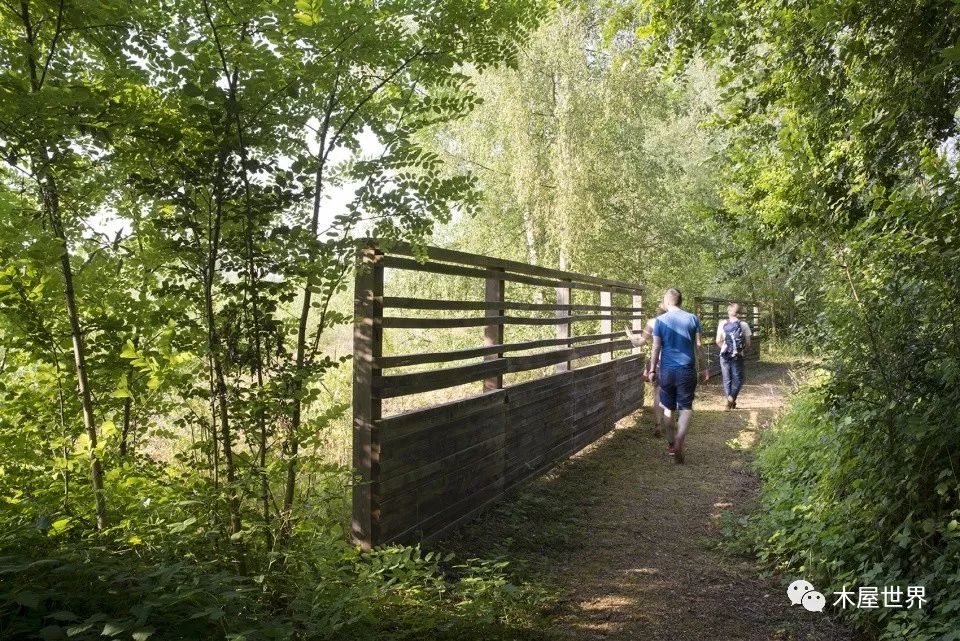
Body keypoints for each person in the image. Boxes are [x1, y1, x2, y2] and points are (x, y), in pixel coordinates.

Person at [649, 288, 709, 464]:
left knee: (668, 408)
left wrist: (652, 369)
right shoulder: (692, 318)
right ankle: (680, 440)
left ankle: (670, 444)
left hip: (666, 371)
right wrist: (705, 367)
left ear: (667, 302)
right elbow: (698, 345)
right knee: (686, 408)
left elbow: (656, 348)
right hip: (687, 370)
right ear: (680, 302)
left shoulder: (660, 321)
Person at [625, 305, 667, 436]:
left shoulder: (653, 323)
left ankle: (658, 425)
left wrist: (630, 336)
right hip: (676, 362)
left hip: (659, 361)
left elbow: (639, 342)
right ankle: (671, 422)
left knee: (658, 392)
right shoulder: (678, 321)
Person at [715, 302, 752, 410]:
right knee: (739, 379)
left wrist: (726, 348)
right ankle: (731, 400)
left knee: (727, 379)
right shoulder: (744, 325)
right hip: (737, 355)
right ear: (739, 313)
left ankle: (729, 402)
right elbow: (748, 344)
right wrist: (738, 350)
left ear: (729, 312)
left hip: (724, 354)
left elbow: (718, 340)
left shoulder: (722, 323)